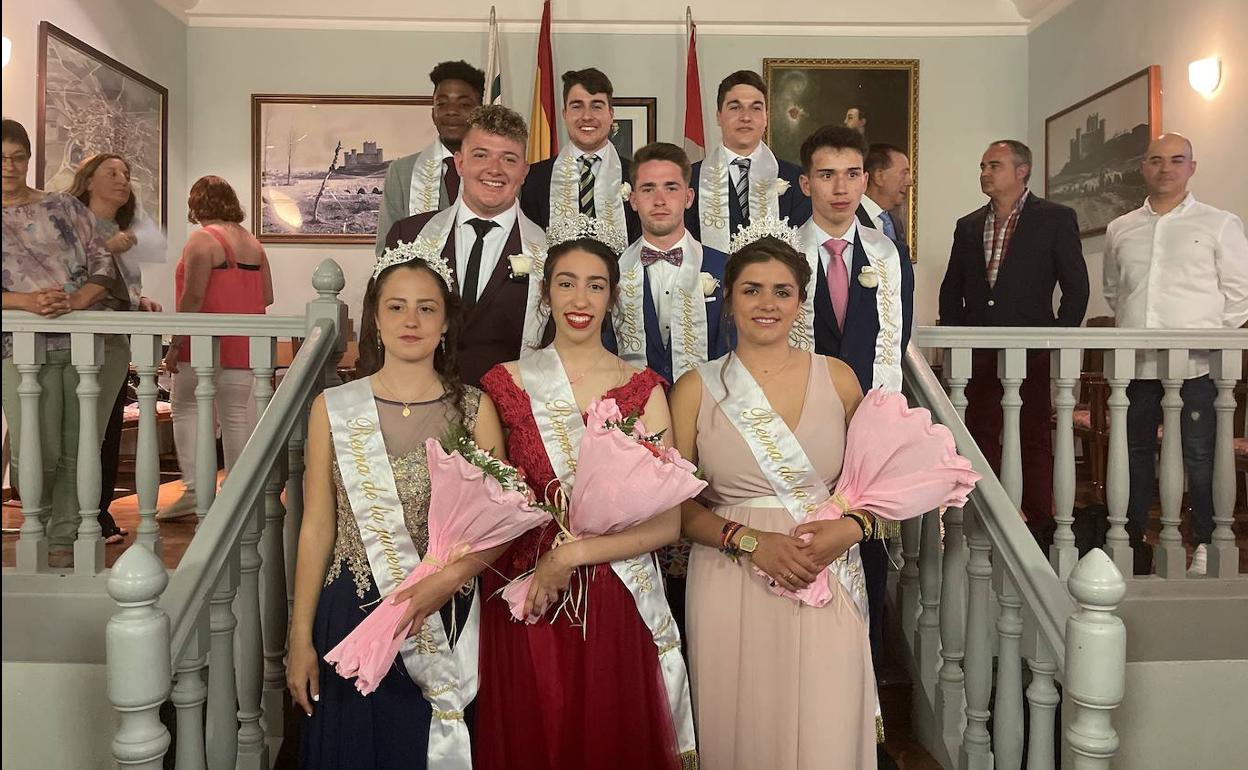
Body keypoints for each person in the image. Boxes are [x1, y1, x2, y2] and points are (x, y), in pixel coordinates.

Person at [473, 233, 691, 770]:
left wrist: (569, 555)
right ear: (545, 294)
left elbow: (669, 524)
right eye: (566, 284)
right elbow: (485, 507)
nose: (580, 300)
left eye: (596, 286)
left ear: (613, 298)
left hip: (616, 591)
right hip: (524, 593)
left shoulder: (643, 389)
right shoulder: (503, 385)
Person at [287, 251, 508, 769]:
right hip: (350, 612)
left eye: (427, 309)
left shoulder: (475, 409)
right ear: (376, 320)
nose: (411, 321)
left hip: (443, 612)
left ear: (447, 323)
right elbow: (317, 527)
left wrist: (441, 585)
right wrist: (299, 637)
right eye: (397, 307)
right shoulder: (333, 408)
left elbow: (500, 526)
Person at [672, 234, 879, 770]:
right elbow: (673, 506)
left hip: (825, 565)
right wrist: (747, 540)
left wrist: (849, 530)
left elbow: (878, 484)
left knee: (826, 725)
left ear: (800, 301)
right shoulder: (695, 386)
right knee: (745, 724)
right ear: (730, 298)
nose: (767, 304)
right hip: (729, 572)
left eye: (782, 292)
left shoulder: (838, 377)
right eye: (752, 290)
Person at [793, 126, 909, 723]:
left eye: (853, 174)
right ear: (806, 181)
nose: (841, 188)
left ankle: (863, 721)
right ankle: (804, 709)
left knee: (861, 567)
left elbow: (898, 341)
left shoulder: (888, 255)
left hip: (866, 436)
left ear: (866, 180)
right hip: (798, 435)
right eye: (828, 174)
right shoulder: (782, 251)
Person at [1103, 132, 1248, 576]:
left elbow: (1239, 296)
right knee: (1133, 454)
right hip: (1137, 364)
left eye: (1176, 159)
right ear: (1143, 168)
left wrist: (1206, 338)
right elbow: (1114, 293)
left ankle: (1205, 541)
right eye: (1156, 160)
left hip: (1198, 367)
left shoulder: (1219, 223)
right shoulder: (1120, 227)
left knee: (1201, 457)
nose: (1166, 168)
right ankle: (1129, 544)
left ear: (1192, 167)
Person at [938, 139, 1088, 551]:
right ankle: (981, 510)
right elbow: (953, 289)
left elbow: (1076, 287)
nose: (985, 172)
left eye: (995, 165)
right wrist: (957, 340)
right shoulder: (968, 225)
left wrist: (1055, 339)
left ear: (1022, 171)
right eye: (983, 166)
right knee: (979, 430)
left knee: (1033, 433)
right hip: (979, 350)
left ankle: (1037, 520)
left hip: (1032, 349)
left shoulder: (1055, 218)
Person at [1, 118, 125, 568]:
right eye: (1, 157)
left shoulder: (63, 207)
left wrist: (76, 298)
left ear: (29, 160)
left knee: (81, 443)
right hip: (18, 345)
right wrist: (26, 302)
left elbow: (102, 263)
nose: (9, 166)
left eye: (17, 157)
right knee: (38, 445)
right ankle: (44, 520)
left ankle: (66, 535)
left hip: (87, 339)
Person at [386, 105, 542, 387]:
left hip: (510, 416)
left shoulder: (548, 252)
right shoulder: (408, 236)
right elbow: (380, 329)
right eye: (481, 155)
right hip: (419, 405)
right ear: (460, 163)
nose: (494, 170)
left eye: (508, 159)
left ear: (524, 172)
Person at [157, 176, 273, 521]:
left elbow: (192, 297)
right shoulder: (253, 243)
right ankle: (237, 492)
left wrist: (175, 346)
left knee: (186, 409)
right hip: (244, 346)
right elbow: (266, 296)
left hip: (203, 345)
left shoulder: (201, 241)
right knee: (236, 415)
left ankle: (196, 489)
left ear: (197, 205)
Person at [69, 152, 164, 544]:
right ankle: (77, 515)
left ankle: (99, 510)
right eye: (111, 173)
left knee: (106, 430)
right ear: (89, 181)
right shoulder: (73, 227)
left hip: (114, 342)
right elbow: (69, 277)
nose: (122, 180)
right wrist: (109, 247)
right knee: (81, 430)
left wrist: (140, 302)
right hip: (78, 341)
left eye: (126, 173)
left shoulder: (121, 229)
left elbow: (118, 287)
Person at [686, 70, 811, 251]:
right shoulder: (690, 178)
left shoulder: (796, 179)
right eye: (735, 107)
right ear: (718, 116)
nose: (746, 117)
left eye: (756, 108)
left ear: (766, 117)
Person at [375, 60, 485, 257]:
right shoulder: (402, 172)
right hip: (419, 284)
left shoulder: (497, 172)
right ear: (433, 113)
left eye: (464, 104)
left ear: (480, 111)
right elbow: (387, 250)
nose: (451, 111)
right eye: (442, 104)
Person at [519, 68, 641, 241]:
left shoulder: (637, 175)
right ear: (565, 114)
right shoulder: (535, 177)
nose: (586, 116)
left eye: (596, 106)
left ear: (611, 114)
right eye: (577, 106)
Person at [858, 142, 915, 342]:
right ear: (880, 176)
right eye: (904, 173)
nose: (909, 181)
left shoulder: (895, 223)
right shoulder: (850, 218)